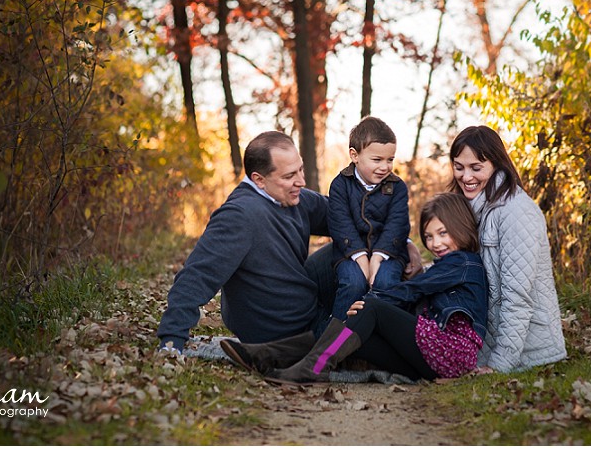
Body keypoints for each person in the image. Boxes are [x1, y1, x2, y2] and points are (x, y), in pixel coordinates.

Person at [158, 131, 424, 368]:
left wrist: (403, 245)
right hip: (281, 326)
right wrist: (171, 341)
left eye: (300, 170)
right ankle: (295, 350)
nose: (300, 181)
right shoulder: (238, 217)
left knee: (355, 254)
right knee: (385, 346)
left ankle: (410, 312)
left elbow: (349, 219)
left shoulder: (293, 197)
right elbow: (196, 276)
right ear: (259, 180)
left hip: (301, 299)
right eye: (289, 176)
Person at [223, 193, 487, 384]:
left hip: (450, 351)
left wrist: (372, 301)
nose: (435, 243)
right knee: (351, 335)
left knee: (368, 309)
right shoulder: (450, 264)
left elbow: (412, 290)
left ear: (460, 227)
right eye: (428, 236)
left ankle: (312, 367)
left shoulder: (463, 262)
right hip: (430, 361)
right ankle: (267, 354)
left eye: (443, 233)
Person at [448, 125, 567, 373]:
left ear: (497, 165)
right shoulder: (473, 208)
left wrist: (499, 365)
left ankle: (342, 349)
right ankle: (344, 351)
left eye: (476, 168)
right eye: (459, 167)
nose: (466, 176)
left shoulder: (515, 212)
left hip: (527, 350)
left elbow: (517, 298)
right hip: (481, 337)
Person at [327, 116, 410, 321]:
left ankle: (382, 333)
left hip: (389, 251)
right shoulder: (341, 185)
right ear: (355, 156)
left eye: (390, 159)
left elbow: (397, 224)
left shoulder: (397, 187)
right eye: (377, 160)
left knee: (385, 281)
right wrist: (361, 257)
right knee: (353, 282)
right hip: (350, 252)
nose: (385, 167)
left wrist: (379, 256)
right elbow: (341, 223)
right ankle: (337, 338)